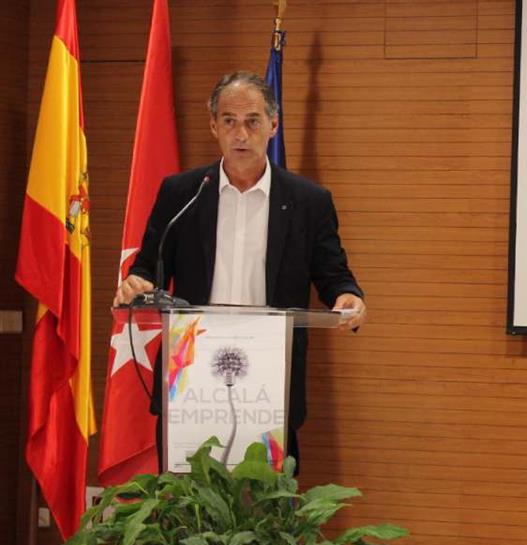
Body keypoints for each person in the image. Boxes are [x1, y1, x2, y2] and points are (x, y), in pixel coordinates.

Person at [112, 70, 366, 465]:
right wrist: (136, 283)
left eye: (252, 121)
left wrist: (348, 296)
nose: (241, 134)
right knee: (187, 493)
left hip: (270, 375)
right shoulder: (182, 193)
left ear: (273, 125)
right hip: (191, 370)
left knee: (264, 495)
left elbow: (334, 274)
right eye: (229, 121)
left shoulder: (308, 201)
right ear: (214, 126)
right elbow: (149, 267)